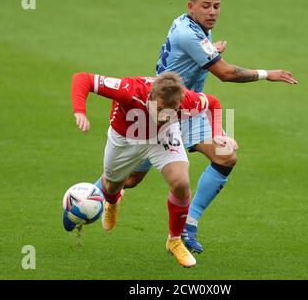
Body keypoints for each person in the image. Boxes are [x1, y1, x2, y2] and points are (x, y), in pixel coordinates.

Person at [101, 0, 298, 254]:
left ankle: (188, 227)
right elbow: (226, 74)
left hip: (190, 109)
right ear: (190, 6)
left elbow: (195, 59)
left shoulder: (191, 27)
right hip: (163, 115)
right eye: (206, 6)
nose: (213, 12)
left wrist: (210, 51)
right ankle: (93, 195)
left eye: (217, 6)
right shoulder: (189, 34)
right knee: (130, 180)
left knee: (226, 156)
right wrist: (268, 74)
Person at [68, 71, 236, 268]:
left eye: (172, 111)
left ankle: (174, 240)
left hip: (162, 138)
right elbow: (83, 79)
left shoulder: (186, 100)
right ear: (150, 98)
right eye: (161, 109)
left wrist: (217, 134)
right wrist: (80, 111)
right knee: (111, 187)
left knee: (181, 184)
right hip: (125, 139)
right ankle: (112, 202)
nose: (165, 116)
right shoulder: (129, 90)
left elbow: (213, 103)